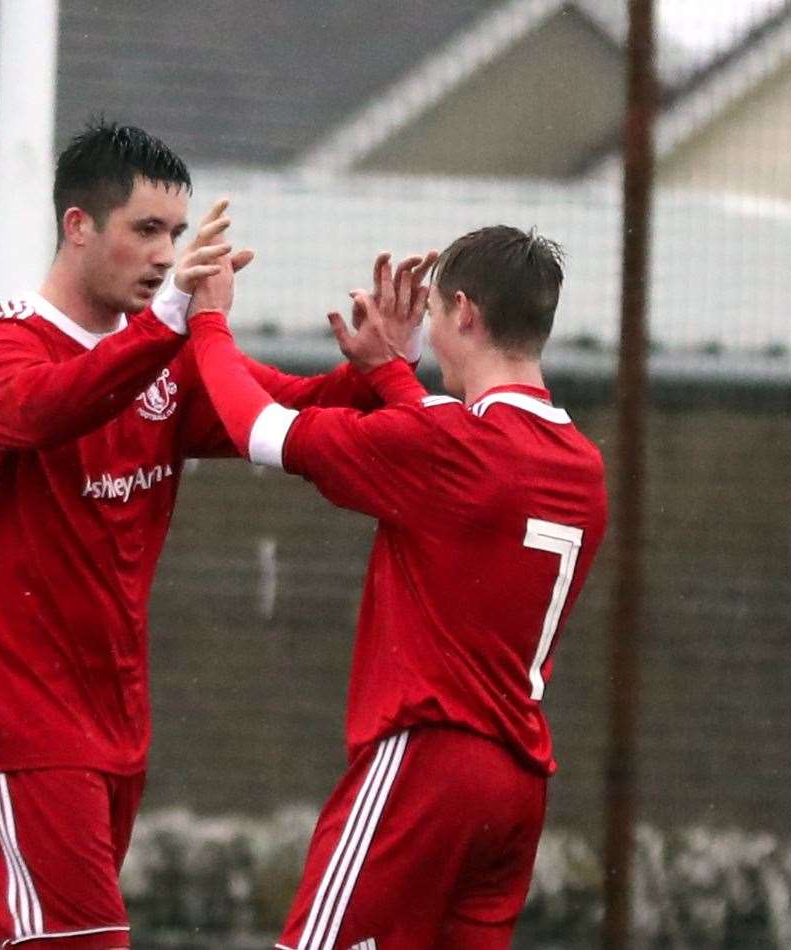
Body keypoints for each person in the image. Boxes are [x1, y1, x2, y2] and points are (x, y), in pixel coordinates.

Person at [0, 120, 415, 950]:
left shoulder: (161, 358)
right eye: (146, 230)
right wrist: (170, 328)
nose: (167, 255)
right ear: (78, 226)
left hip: (112, 713)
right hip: (19, 712)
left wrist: (377, 371)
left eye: (177, 234)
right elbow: (49, 408)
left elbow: (285, 406)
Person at [183, 226, 609, 949]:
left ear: (466, 314)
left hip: (430, 764)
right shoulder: (579, 463)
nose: (433, 327)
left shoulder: (455, 448)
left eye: (438, 313)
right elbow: (452, 446)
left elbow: (259, 428)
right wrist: (389, 369)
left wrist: (208, 322)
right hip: (516, 784)